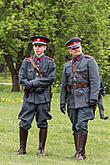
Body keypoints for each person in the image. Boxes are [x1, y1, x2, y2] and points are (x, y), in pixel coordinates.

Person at [60, 37, 100, 160]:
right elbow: (64, 85)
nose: (76, 50)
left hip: (85, 99)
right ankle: (79, 151)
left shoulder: (89, 61)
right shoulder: (67, 65)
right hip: (71, 100)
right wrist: (62, 102)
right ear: (70, 51)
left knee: (82, 125)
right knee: (75, 126)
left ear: (80, 47)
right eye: (73, 48)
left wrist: (94, 98)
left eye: (77, 47)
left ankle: (80, 153)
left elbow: (95, 81)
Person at [17, 35, 56, 156]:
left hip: (43, 98)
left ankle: (41, 149)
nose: (37, 48)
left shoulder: (50, 63)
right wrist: (28, 84)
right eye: (35, 46)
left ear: (45, 47)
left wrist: (33, 83)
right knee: (24, 122)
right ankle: (22, 148)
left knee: (43, 122)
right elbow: (21, 77)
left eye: (40, 46)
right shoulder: (27, 62)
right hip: (29, 97)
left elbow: (50, 79)